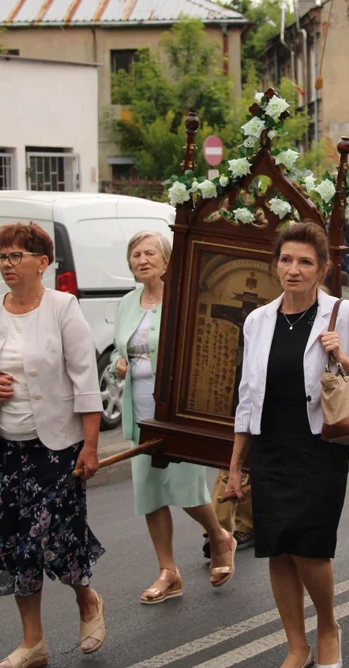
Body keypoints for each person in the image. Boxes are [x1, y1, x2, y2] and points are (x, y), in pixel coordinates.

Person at [227, 222, 349, 668]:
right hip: (271, 448)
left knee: (310, 547)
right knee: (278, 549)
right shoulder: (258, 320)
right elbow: (247, 396)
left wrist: (342, 356)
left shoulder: (344, 314)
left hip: (318, 448)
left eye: (304, 262)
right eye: (286, 260)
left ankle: (328, 626)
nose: (293, 269)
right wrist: (236, 463)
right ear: (275, 264)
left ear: (323, 269)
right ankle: (296, 645)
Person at [0, 222, 107, 667]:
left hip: (57, 448)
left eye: (16, 255)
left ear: (43, 262)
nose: (7, 264)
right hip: (4, 449)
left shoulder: (63, 307)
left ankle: (87, 601)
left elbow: (86, 380)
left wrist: (91, 446)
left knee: (56, 539)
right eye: (1, 256)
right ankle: (33, 641)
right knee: (10, 544)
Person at [110, 232, 236, 605]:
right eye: (135, 254)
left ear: (167, 261)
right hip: (141, 412)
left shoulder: (183, 300)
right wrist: (119, 364)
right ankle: (169, 571)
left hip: (178, 412)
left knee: (185, 489)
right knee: (150, 492)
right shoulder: (127, 303)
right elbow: (122, 351)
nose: (142, 259)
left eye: (150, 253)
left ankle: (218, 534)